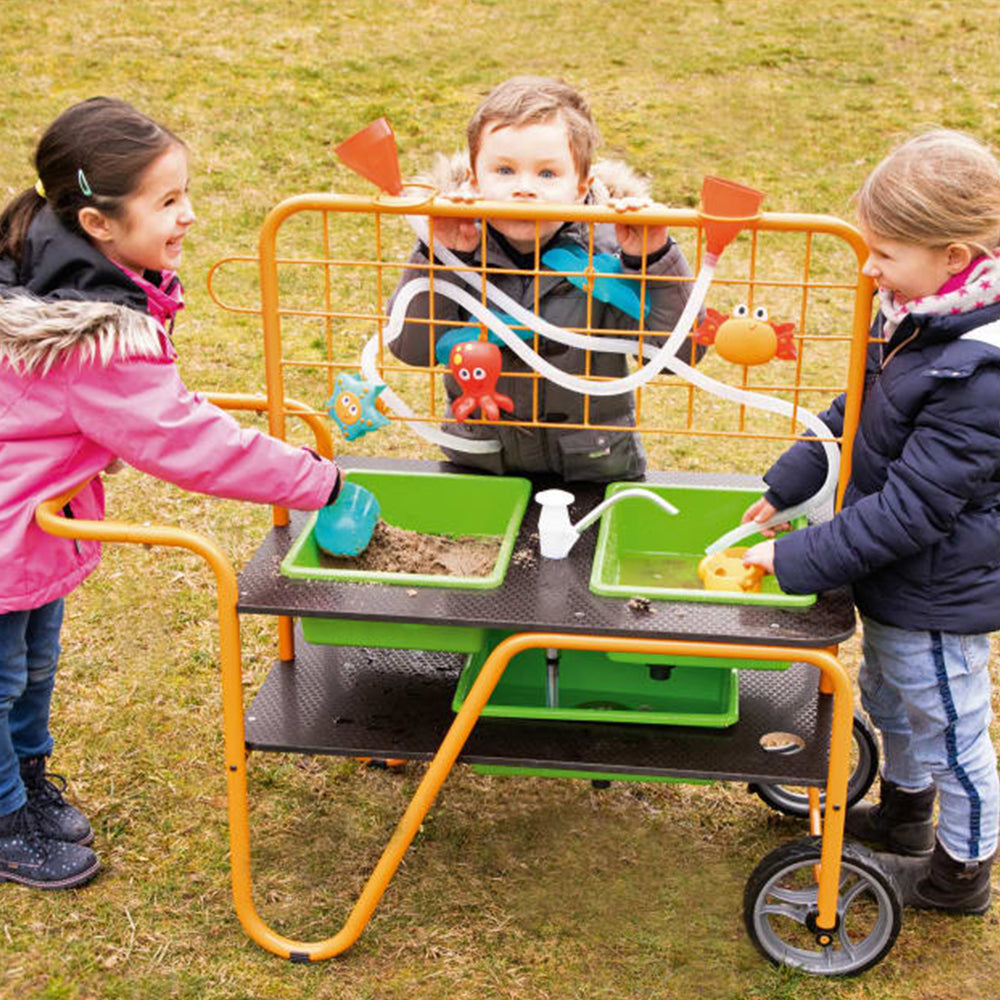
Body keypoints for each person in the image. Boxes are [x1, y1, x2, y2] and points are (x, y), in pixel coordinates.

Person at [0, 98, 344, 890]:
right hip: (10, 531)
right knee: (2, 677)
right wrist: (312, 479)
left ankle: (23, 785)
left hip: (28, 530)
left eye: (185, 193)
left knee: (33, 665)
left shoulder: (67, 265)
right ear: (98, 222)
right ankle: (5, 818)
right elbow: (185, 440)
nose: (188, 216)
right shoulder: (95, 338)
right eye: (167, 202)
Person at [742, 129, 1000, 914]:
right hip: (895, 581)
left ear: (954, 256)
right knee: (891, 701)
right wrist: (790, 481)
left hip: (937, 592)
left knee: (951, 731)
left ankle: (962, 875)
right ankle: (906, 812)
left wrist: (798, 560)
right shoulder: (916, 314)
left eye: (883, 251)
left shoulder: (979, 372)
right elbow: (854, 409)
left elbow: (914, 510)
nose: (867, 267)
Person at [387, 76, 702, 482]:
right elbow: (411, 349)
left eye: (547, 174)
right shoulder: (453, 244)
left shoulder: (611, 251)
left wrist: (654, 259)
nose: (524, 189)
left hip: (594, 467)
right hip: (481, 463)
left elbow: (677, 357)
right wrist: (440, 256)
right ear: (475, 179)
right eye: (504, 170)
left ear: (581, 185)